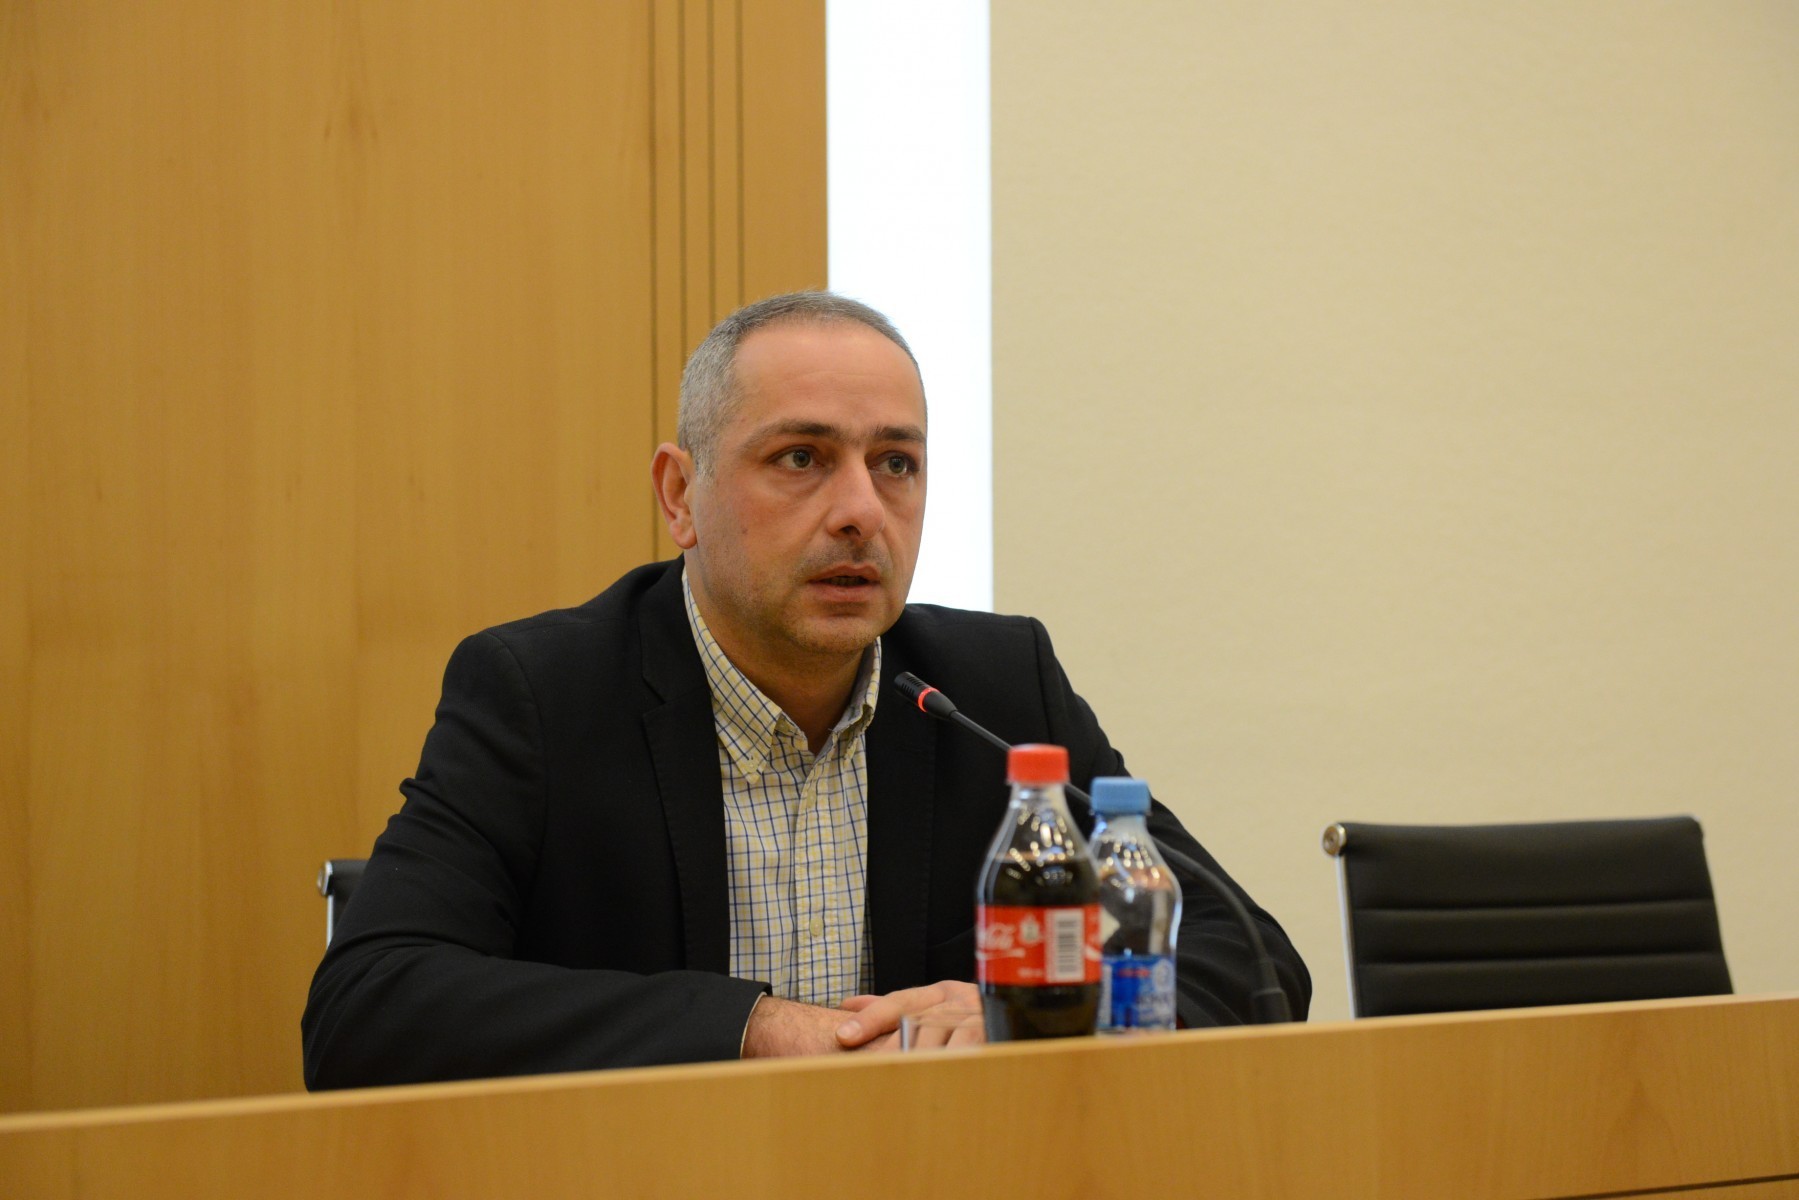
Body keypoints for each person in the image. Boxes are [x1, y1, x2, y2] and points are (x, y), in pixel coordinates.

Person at [302, 292, 1309, 1088]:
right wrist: (753, 1029)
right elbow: (369, 1007)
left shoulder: (994, 687)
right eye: (801, 458)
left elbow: (1250, 957)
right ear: (679, 495)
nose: (860, 511)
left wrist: (1036, 1009)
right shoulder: (543, 694)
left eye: (895, 464)